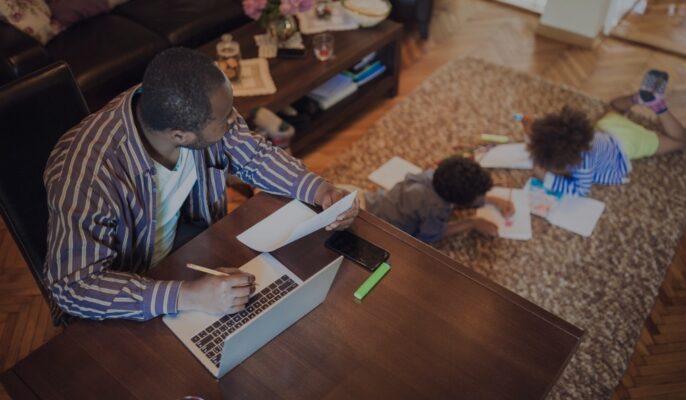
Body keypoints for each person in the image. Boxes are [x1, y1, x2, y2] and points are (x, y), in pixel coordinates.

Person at [43, 47, 358, 322]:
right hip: (131, 290)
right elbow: (73, 287)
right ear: (179, 135)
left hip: (189, 250)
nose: (233, 122)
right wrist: (189, 296)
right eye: (223, 122)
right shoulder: (88, 171)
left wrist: (320, 190)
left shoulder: (190, 105)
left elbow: (255, 157)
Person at [522, 69, 685, 197]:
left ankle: (658, 106)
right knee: (614, 107)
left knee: (679, 141)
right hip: (607, 127)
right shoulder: (569, 139)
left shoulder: (583, 166)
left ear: (570, 164)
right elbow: (542, 137)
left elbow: (580, 190)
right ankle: (637, 99)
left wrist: (547, 178)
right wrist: (529, 126)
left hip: (629, 142)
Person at [361, 156, 514, 243]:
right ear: (459, 201)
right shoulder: (436, 208)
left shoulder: (432, 175)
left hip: (373, 201)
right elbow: (430, 236)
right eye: (479, 196)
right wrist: (472, 222)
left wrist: (492, 200)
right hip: (380, 230)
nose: (482, 198)